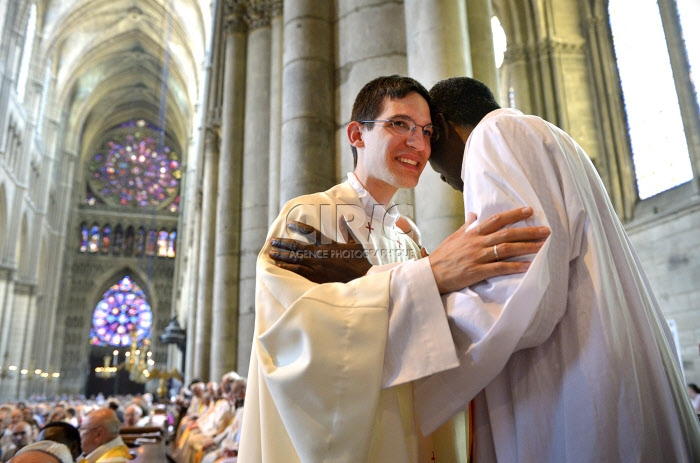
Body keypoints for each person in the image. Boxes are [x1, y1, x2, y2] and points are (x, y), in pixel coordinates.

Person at [238, 75, 550, 463]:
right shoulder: (309, 217)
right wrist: (429, 276)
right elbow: (290, 339)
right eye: (399, 124)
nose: (418, 143)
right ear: (357, 134)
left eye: (427, 131)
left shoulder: (407, 240)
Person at [412, 76, 700, 461]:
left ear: (444, 126)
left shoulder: (491, 136)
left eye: (435, 166)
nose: (448, 181)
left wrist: (415, 307)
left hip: (570, 377)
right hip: (599, 356)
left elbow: (518, 293)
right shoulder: (550, 136)